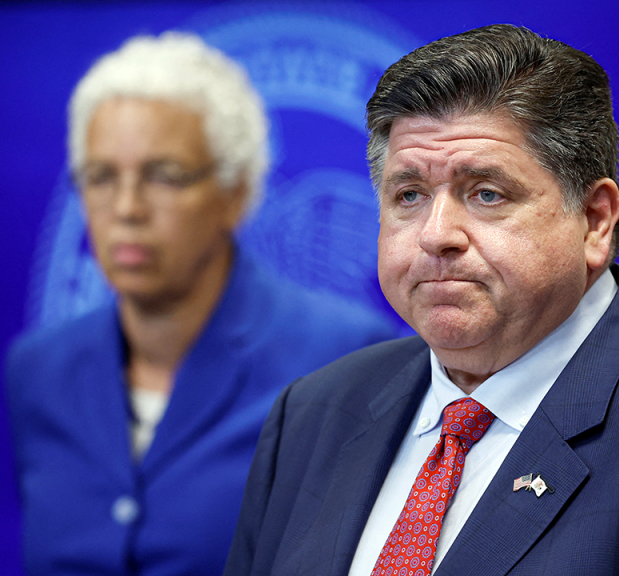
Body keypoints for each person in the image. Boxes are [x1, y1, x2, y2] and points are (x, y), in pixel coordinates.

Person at [224, 24, 619, 576]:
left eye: (487, 193)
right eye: (408, 195)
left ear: (596, 219)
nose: (436, 234)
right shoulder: (312, 415)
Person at [4, 33, 394, 576]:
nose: (126, 208)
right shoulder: (39, 369)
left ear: (234, 193)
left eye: (164, 176)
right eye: (101, 177)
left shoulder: (347, 361)